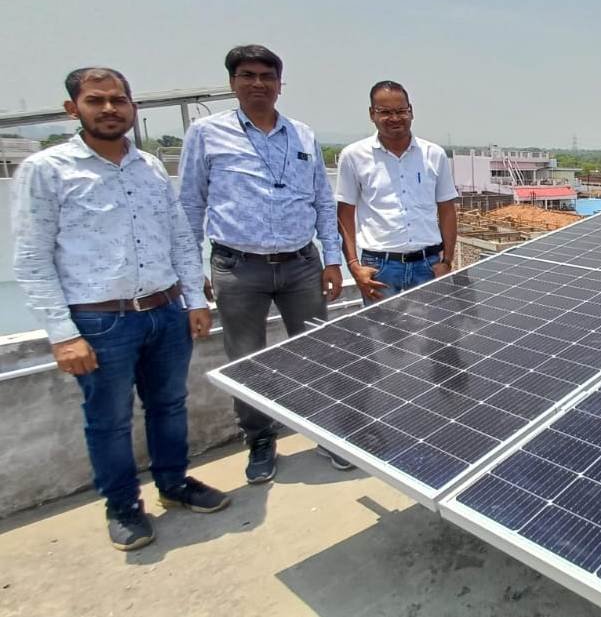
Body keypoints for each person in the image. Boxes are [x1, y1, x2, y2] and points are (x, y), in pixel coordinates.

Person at [12, 67, 229, 551]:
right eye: (96, 100)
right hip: (100, 319)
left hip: (165, 310)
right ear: (73, 108)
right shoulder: (47, 170)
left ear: (132, 107)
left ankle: (174, 483)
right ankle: (123, 506)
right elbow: (32, 259)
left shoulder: (149, 167)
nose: (109, 109)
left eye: (118, 100)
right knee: (108, 420)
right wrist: (63, 333)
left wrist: (194, 299)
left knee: (169, 405)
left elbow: (178, 236)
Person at [179, 45, 350, 483]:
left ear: (279, 84)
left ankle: (328, 433)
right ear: (232, 83)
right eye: (248, 75)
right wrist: (192, 275)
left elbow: (323, 202)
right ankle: (259, 439)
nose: (258, 83)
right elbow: (190, 206)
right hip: (238, 268)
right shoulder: (206, 134)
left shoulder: (303, 135)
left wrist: (333, 260)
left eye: (267, 76)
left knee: (319, 352)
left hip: (301, 264)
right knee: (247, 361)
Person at [336, 80, 458, 303]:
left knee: (435, 326)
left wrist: (447, 261)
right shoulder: (353, 156)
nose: (394, 118)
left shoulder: (434, 154)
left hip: (428, 265)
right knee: (381, 326)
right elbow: (344, 214)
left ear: (411, 112)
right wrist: (354, 266)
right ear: (372, 114)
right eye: (385, 112)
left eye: (401, 111)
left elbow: (447, 209)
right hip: (379, 269)